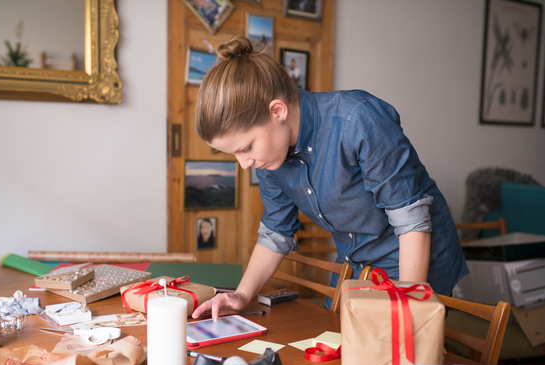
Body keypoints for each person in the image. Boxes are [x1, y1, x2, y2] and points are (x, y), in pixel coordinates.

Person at [192, 36, 468, 321]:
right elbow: (276, 231)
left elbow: (411, 222)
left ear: (277, 111)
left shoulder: (357, 121)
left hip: (415, 263)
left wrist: (407, 308)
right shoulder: (271, 159)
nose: (244, 164)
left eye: (246, 147)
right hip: (356, 265)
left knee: (399, 355)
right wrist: (242, 295)